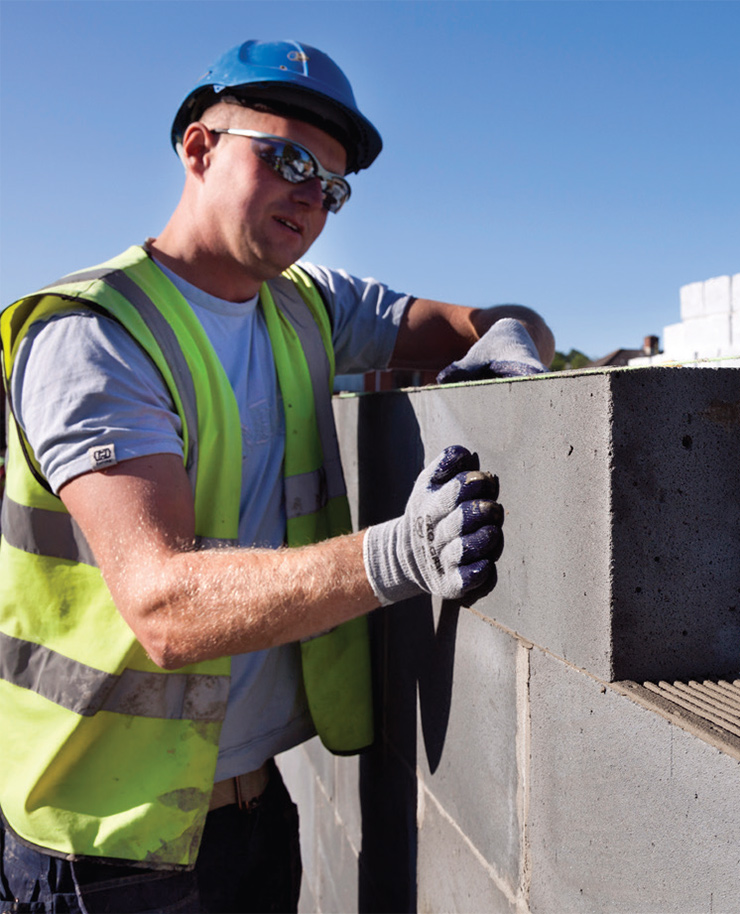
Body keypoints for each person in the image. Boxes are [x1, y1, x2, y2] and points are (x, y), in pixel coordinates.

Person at [0, 39, 554, 913]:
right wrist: (399, 554)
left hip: (254, 809)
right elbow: (164, 607)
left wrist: (515, 335)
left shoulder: (307, 304)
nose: (313, 195)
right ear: (198, 147)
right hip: (102, 849)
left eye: (333, 186)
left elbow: (472, 321)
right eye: (288, 157)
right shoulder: (95, 336)